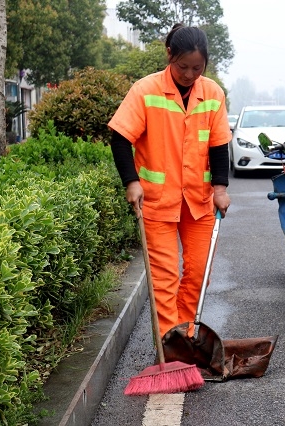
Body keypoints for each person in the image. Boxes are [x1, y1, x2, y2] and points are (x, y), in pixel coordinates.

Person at [108, 23, 231, 338]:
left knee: (199, 273)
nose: (189, 74)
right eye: (182, 67)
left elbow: (218, 145)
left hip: (199, 201)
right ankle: (168, 342)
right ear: (169, 55)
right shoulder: (146, 90)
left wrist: (220, 188)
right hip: (158, 201)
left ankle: (185, 337)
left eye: (197, 68)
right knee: (163, 278)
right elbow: (120, 136)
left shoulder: (213, 94)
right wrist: (131, 182)